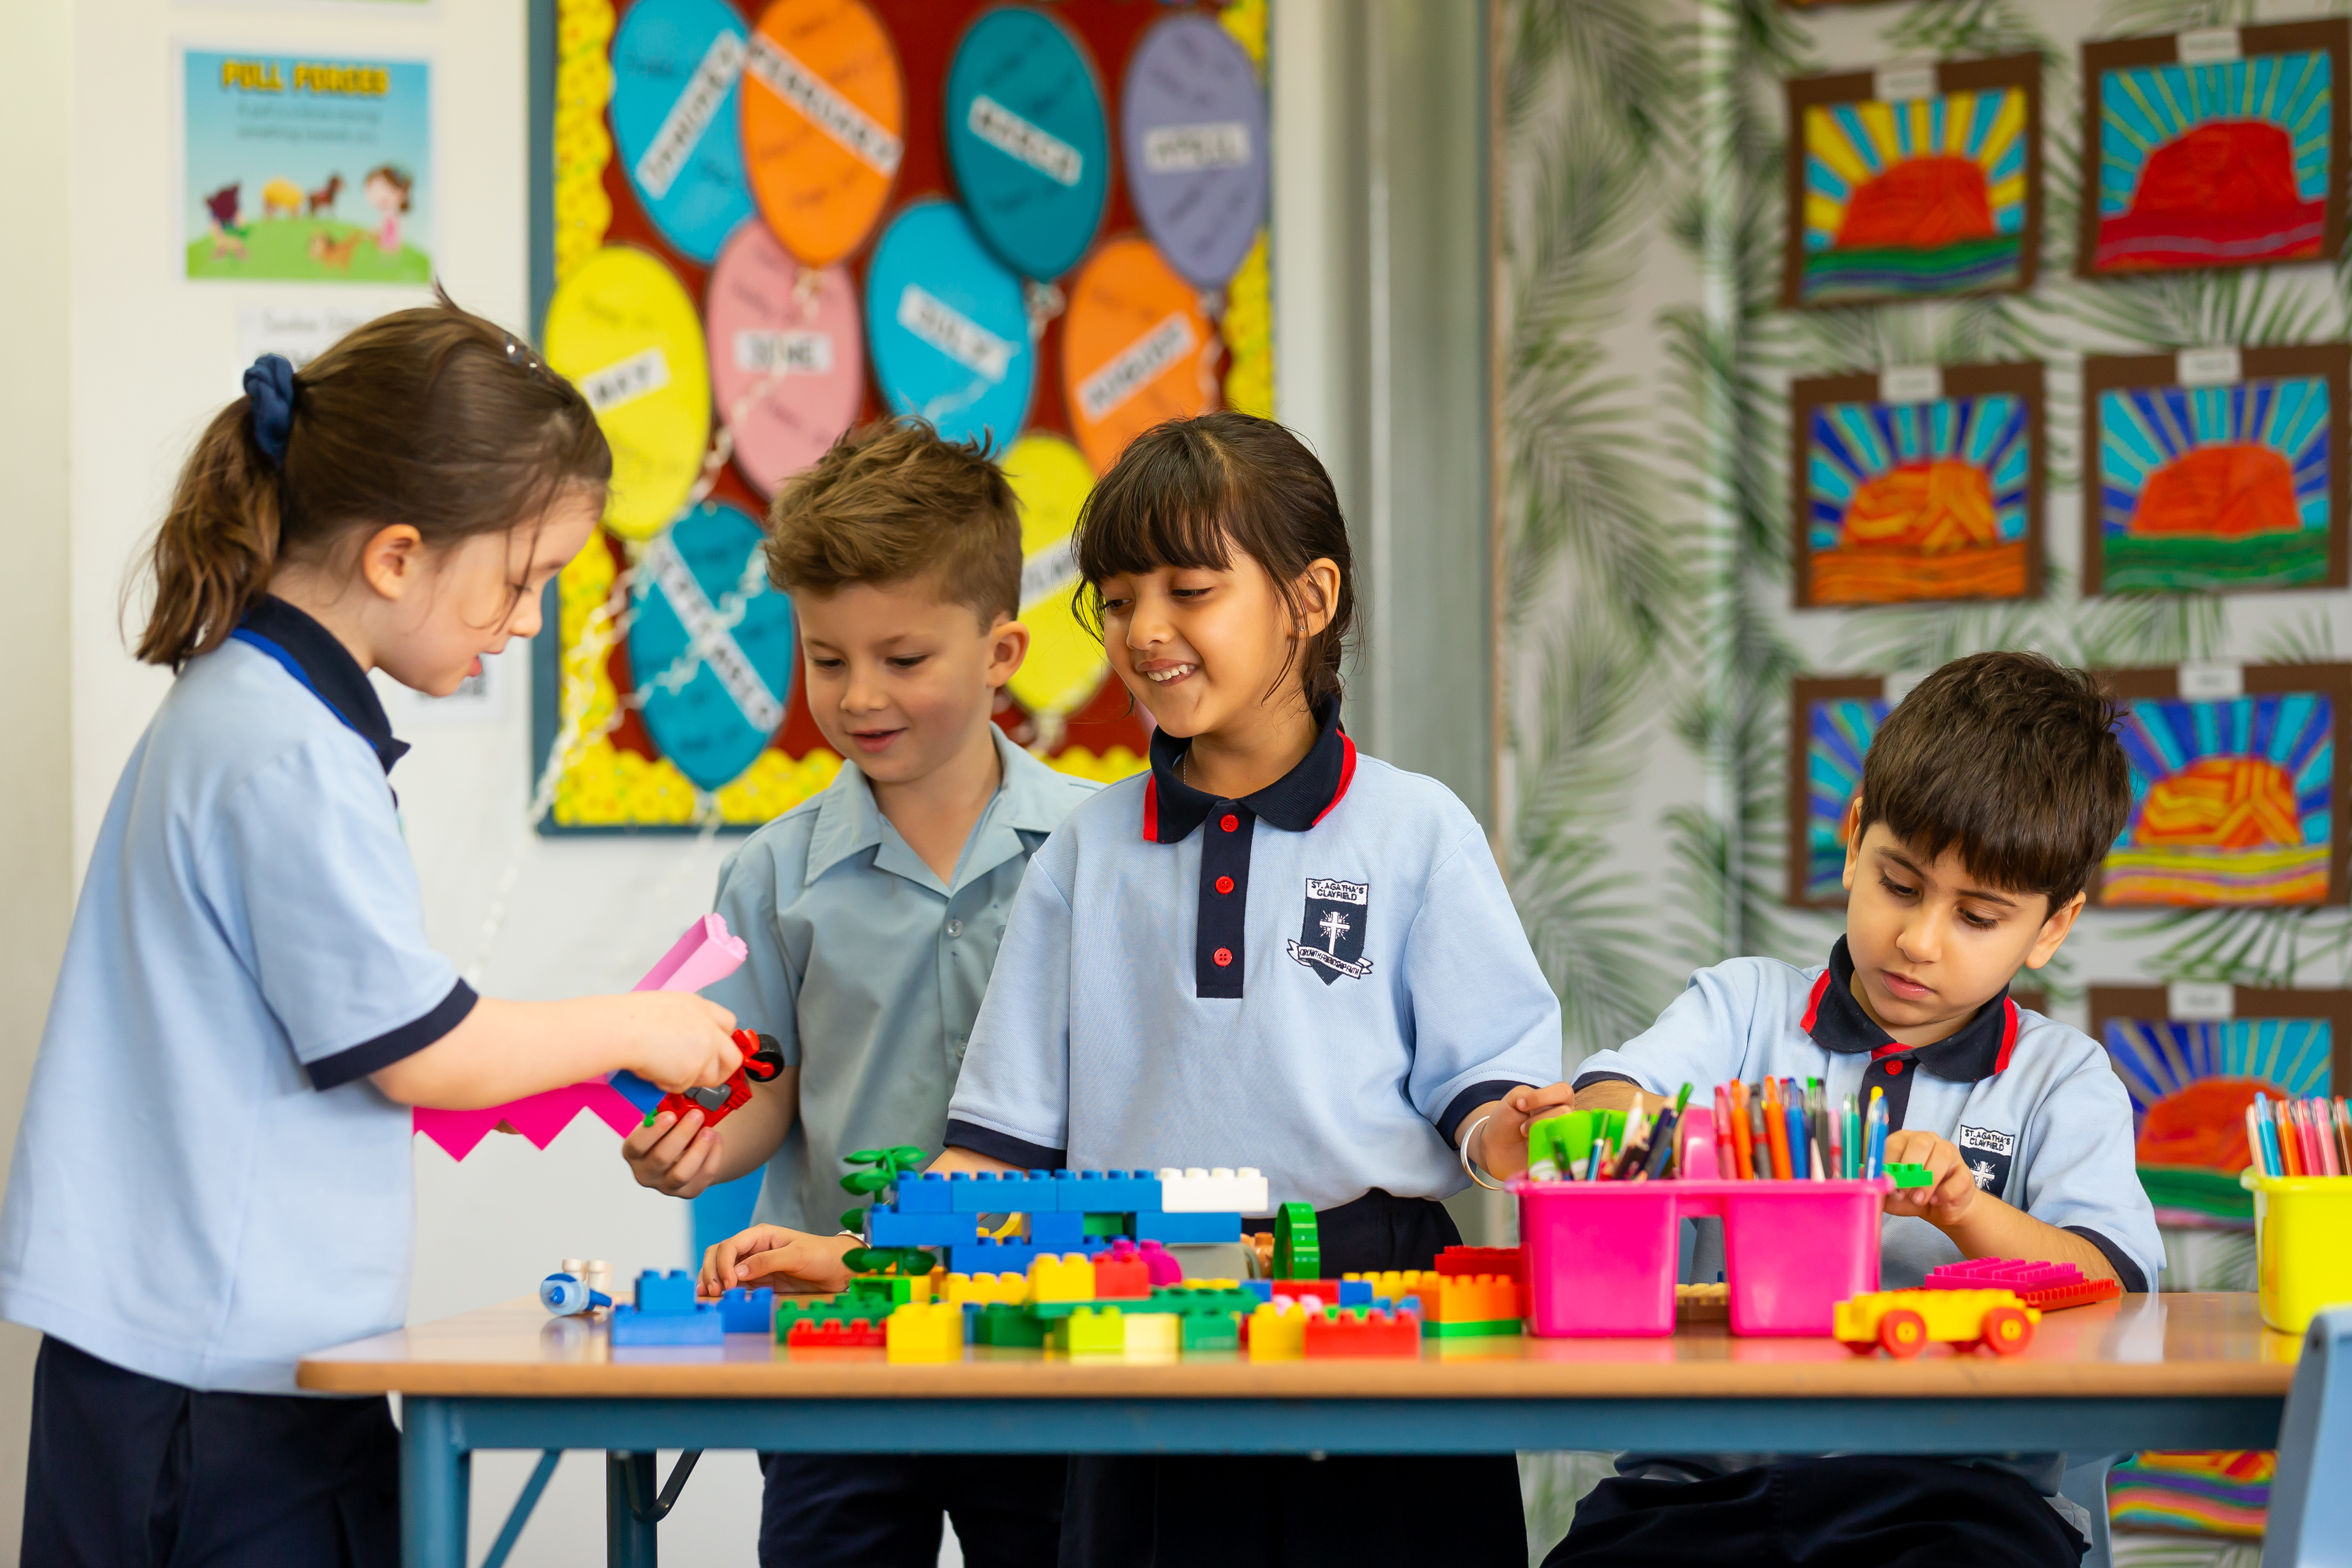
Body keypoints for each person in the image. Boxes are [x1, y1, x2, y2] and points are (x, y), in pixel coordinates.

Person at [0, 302, 743, 1568]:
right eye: (519, 581)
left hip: (207, 1365)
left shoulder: (260, 712)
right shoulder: (284, 747)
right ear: (397, 556)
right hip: (214, 1391)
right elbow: (419, 1046)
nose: (522, 623)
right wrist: (647, 1024)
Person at [919, 411, 1576, 1568]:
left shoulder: (1416, 828)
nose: (1146, 631)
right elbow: (1000, 1147)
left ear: (1309, 598)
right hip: (1141, 1318)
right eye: (1118, 599)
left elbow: (1482, 1097)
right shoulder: (1086, 849)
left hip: (1385, 1314)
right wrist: (875, 1249)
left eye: (1190, 589)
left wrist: (1519, 1132)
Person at [1550, 649, 2163, 1568]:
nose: (1918, 942)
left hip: (1955, 1498)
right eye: (1900, 886)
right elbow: (1604, 1104)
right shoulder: (1741, 1008)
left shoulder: (2061, 1080)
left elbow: (2112, 1287)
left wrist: (1967, 1211)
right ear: (1851, 839)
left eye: (1977, 917)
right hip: (1694, 1490)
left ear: (2051, 928)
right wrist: (1688, 1139)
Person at [624, 419, 1096, 1568]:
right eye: (827, 660)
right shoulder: (774, 874)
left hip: (1044, 1336)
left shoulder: (1101, 851)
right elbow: (766, 1089)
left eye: (903, 658)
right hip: (837, 1346)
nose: (860, 696)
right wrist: (696, 1144)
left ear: (1001, 652)